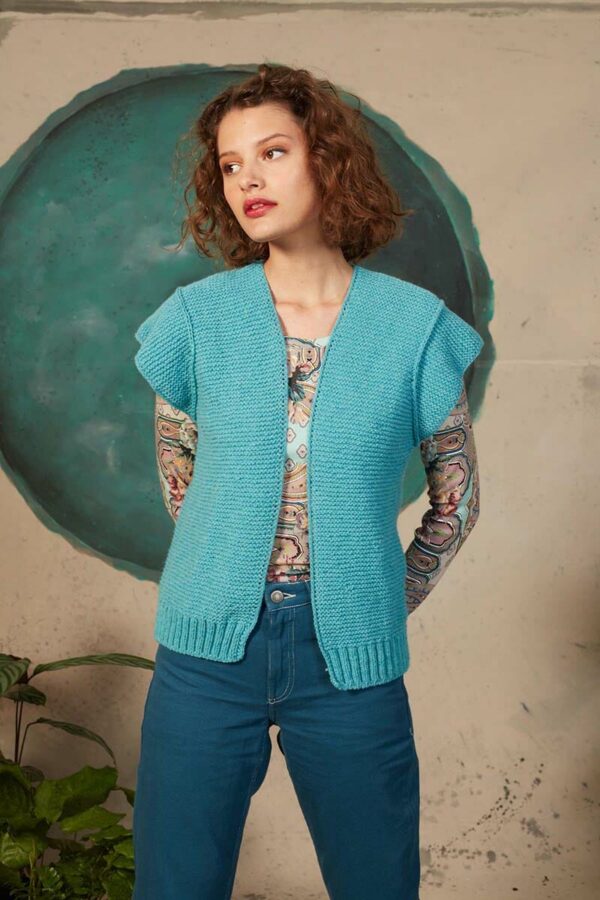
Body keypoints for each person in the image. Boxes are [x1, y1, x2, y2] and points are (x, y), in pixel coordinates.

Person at [131, 63, 483, 900]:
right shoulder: (195, 321)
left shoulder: (414, 328)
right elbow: (180, 477)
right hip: (204, 657)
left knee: (376, 885)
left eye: (273, 152)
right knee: (176, 887)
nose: (247, 179)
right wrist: (225, 570)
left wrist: (376, 599)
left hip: (349, 662)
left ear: (326, 160)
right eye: (230, 164)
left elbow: (458, 498)